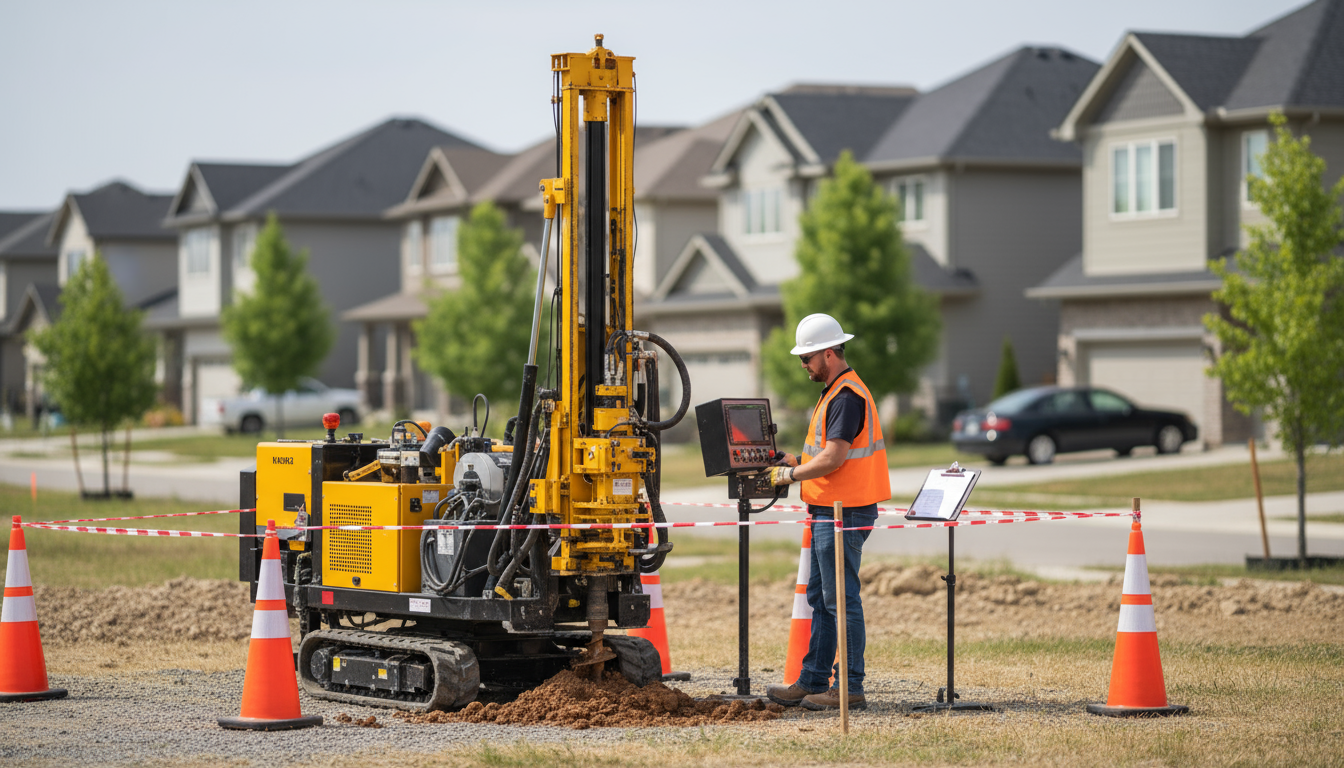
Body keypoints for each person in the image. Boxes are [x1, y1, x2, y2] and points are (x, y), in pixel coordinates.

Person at [764, 313, 890, 711]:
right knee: (821, 597)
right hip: (830, 510)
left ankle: (850, 687)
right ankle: (814, 679)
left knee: (842, 599)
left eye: (807, 358)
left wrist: (788, 474)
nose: (803, 366)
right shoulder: (836, 392)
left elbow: (834, 458)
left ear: (829, 354)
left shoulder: (847, 396)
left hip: (844, 512)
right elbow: (826, 454)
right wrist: (795, 459)